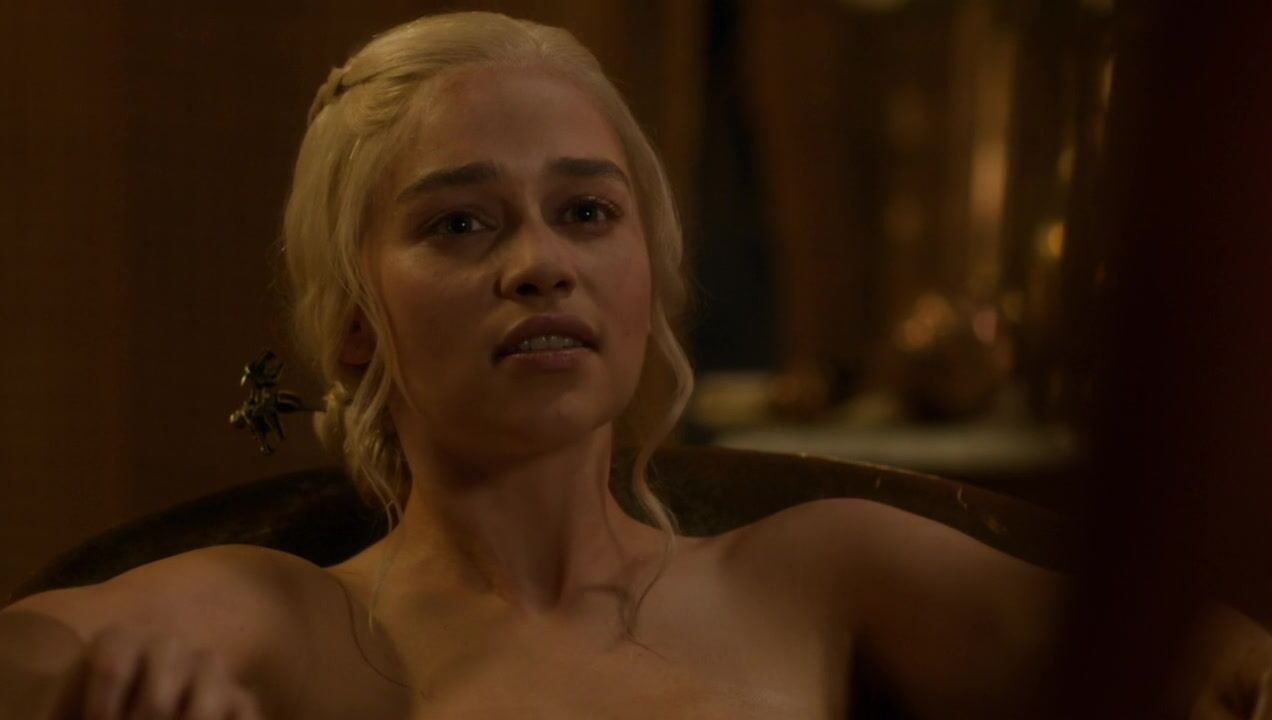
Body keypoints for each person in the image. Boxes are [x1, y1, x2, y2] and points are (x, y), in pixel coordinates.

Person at [2, 11, 1269, 719]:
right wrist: (114, 684)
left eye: (587, 212)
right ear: (352, 325)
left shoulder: (817, 569)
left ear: (646, 274)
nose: (539, 265)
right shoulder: (289, 616)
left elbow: (1209, 661)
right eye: (461, 222)